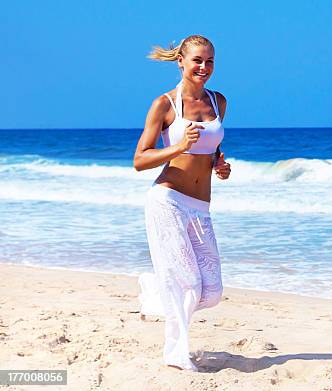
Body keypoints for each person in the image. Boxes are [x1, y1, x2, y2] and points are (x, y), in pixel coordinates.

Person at [133, 34, 231, 371]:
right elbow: (139, 159)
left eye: (210, 61)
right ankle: (177, 355)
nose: (204, 67)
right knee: (188, 283)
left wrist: (219, 164)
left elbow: (212, 146)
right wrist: (177, 148)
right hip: (168, 201)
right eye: (197, 61)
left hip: (201, 207)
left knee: (212, 290)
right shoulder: (165, 104)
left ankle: (155, 293)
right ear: (182, 62)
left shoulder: (219, 102)